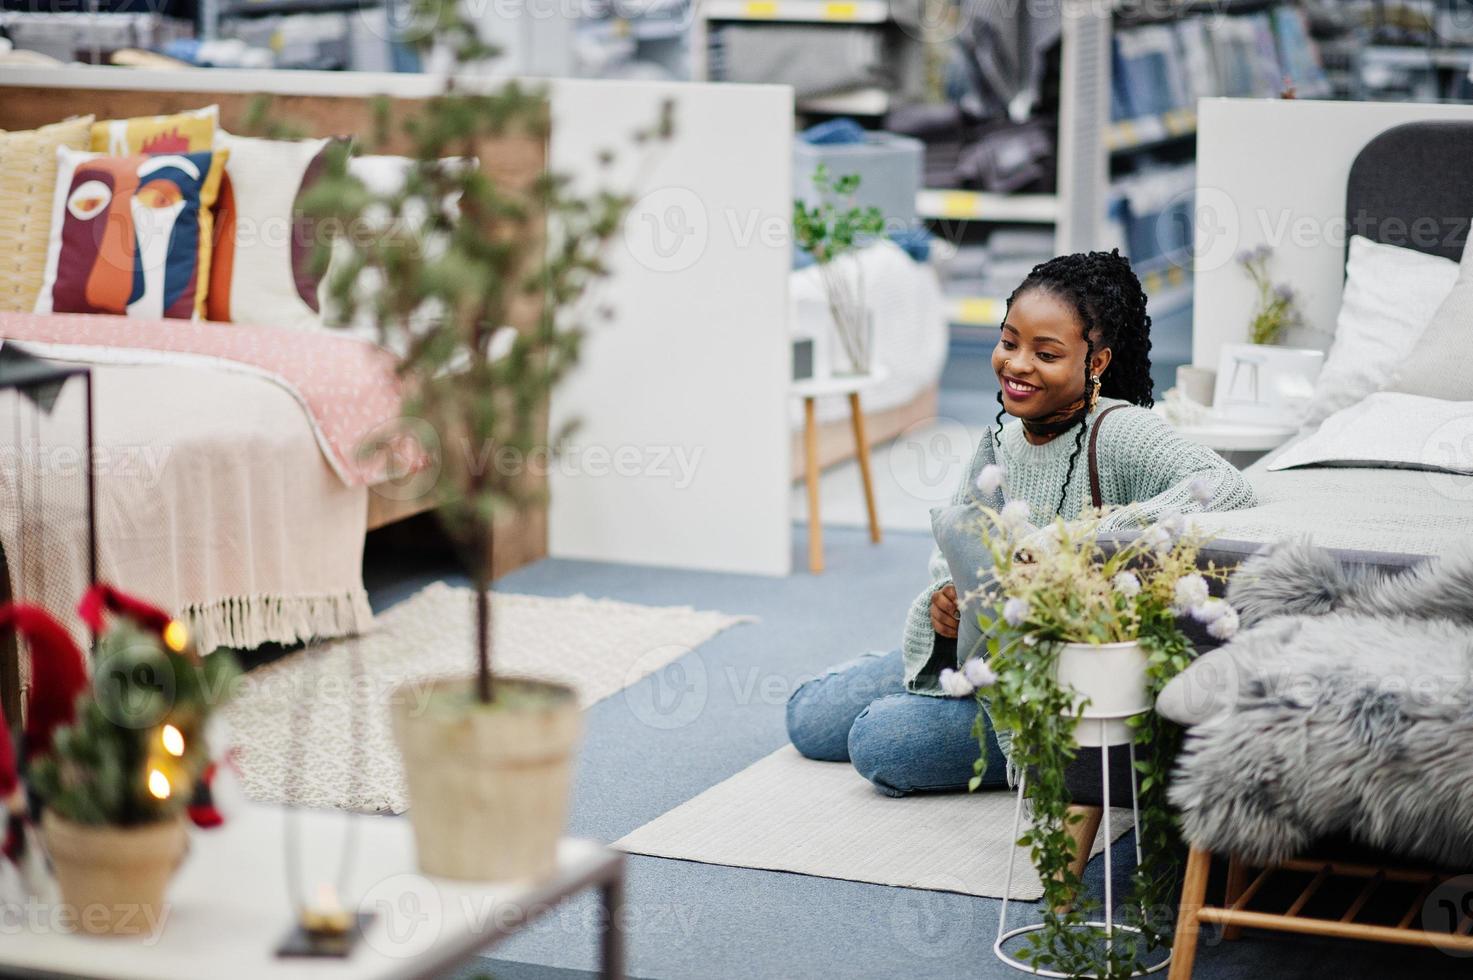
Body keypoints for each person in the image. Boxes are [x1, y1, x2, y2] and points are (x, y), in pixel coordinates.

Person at [786, 250, 1257, 798]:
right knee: (809, 719)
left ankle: (995, 734)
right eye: (1009, 342)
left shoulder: (1123, 431)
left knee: (880, 742)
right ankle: (929, 691)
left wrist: (1084, 538)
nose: (1017, 364)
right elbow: (955, 548)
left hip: (1053, 680)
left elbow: (1226, 484)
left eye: (1046, 353)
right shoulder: (1000, 441)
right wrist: (944, 600)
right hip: (979, 651)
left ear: (1096, 362)